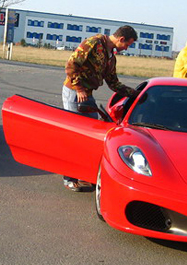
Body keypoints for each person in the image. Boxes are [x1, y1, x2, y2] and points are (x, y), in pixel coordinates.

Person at [61, 25, 138, 191]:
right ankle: (69, 178)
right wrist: (79, 88)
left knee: (90, 136)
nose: (127, 48)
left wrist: (135, 94)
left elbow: (113, 83)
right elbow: (72, 64)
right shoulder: (94, 43)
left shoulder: (111, 57)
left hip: (87, 94)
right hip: (75, 92)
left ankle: (82, 174)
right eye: (128, 44)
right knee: (77, 135)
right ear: (121, 39)